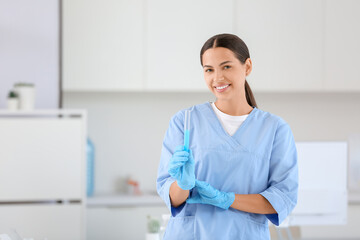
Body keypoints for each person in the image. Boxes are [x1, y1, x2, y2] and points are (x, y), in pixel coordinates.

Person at [156, 33, 298, 240]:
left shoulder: (275, 129)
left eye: (226, 67)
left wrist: (226, 199)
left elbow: (283, 198)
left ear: (247, 67)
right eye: (209, 70)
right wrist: (183, 186)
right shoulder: (185, 122)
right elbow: (172, 198)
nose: (217, 78)